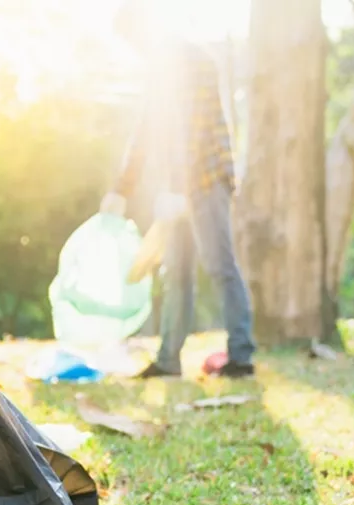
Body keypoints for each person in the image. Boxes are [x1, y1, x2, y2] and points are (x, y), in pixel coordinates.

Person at [100, 0, 256, 379]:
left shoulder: (189, 60)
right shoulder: (159, 67)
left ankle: (241, 356)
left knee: (220, 266)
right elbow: (146, 131)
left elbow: (192, 129)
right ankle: (169, 360)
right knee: (177, 273)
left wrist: (180, 191)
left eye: (134, 37)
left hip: (205, 179)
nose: (134, 47)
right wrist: (121, 188)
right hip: (179, 187)